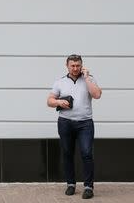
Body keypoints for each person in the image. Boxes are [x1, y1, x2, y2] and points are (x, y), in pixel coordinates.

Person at [47, 54, 102, 199]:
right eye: (72, 65)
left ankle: (88, 187)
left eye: (78, 66)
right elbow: (49, 101)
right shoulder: (60, 82)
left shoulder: (89, 79)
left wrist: (87, 77)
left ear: (82, 66)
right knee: (67, 153)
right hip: (65, 122)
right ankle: (70, 184)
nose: (75, 68)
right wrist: (59, 102)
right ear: (67, 66)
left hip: (85, 123)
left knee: (87, 154)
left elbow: (97, 95)